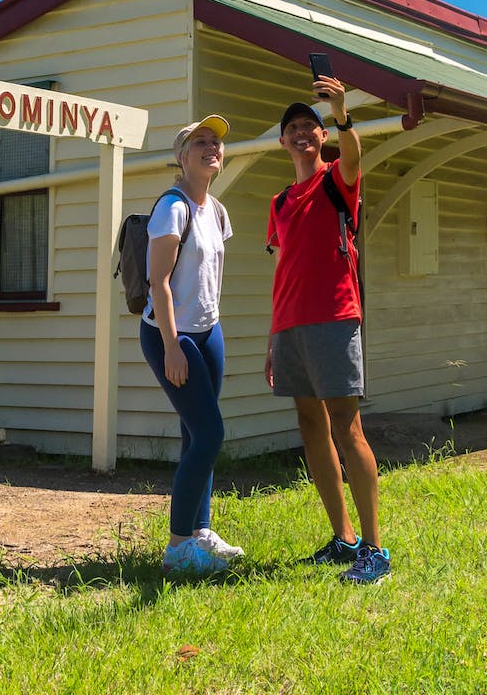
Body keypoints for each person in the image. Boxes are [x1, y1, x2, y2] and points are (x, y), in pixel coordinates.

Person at [265, 78, 391, 584]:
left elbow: (355, 155)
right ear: (282, 141)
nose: (301, 134)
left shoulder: (338, 180)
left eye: (309, 128)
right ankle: (344, 540)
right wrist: (272, 340)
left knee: (347, 427)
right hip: (290, 325)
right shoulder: (278, 203)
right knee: (311, 427)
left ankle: (375, 551)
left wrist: (341, 114)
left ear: (321, 138)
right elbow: (284, 269)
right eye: (293, 128)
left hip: (335, 318)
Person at [140, 114, 240, 577]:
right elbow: (158, 283)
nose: (211, 148)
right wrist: (172, 346)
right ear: (182, 158)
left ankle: (201, 530)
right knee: (211, 434)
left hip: (208, 330)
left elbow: (208, 280)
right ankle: (178, 548)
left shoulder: (216, 211)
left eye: (216, 142)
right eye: (200, 142)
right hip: (171, 334)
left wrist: (209, 330)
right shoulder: (173, 207)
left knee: (196, 431)